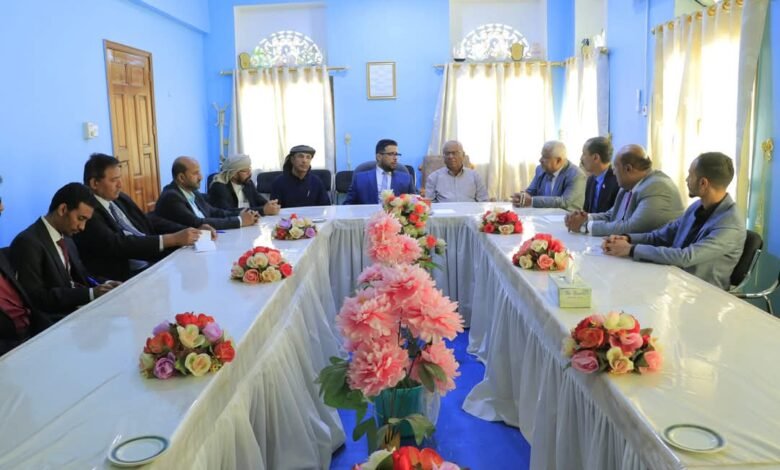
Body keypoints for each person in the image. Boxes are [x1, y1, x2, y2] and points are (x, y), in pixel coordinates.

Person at [603, 152, 746, 290]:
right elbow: (660, 236)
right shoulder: (697, 207)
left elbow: (686, 257)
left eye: (690, 175)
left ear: (703, 183)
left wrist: (631, 249)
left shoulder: (730, 224)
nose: (686, 179)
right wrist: (627, 239)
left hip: (701, 292)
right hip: (674, 280)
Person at [74, 153, 203, 281]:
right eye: (114, 180)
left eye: (120, 178)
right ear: (94, 183)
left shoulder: (119, 198)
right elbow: (118, 244)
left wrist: (193, 229)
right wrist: (172, 239)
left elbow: (148, 220)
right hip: (125, 277)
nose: (120, 184)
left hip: (153, 262)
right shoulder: (87, 213)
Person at [10, 183, 120, 319]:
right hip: (57, 320)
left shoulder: (66, 237)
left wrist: (107, 284)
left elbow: (83, 275)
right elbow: (36, 297)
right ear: (63, 209)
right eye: (80, 219)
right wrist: (90, 294)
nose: (82, 227)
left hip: (79, 311)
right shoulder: (28, 242)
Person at [565, 144, 684, 236]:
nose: (613, 172)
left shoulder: (657, 187)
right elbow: (611, 215)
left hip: (654, 255)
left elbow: (632, 228)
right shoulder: (628, 185)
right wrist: (585, 218)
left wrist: (585, 227)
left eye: (615, 168)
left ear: (628, 169)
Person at [0, 193, 52, 354]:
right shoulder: (27, 241)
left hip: (38, 338)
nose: (2, 207)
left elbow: (28, 308)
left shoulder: (3, 256)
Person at [154, 157, 259, 230]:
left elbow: (213, 212)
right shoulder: (171, 197)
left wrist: (241, 213)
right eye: (195, 173)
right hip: (180, 250)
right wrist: (240, 221)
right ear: (181, 178)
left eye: (199, 172)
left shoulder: (193, 191)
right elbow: (197, 223)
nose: (201, 177)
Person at [511, 141, 585, 210]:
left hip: (566, 217)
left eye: (545, 157)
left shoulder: (576, 175)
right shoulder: (540, 169)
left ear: (558, 160)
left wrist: (532, 201)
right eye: (541, 155)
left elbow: (564, 201)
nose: (540, 160)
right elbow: (530, 191)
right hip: (541, 215)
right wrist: (521, 197)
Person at [344, 139, 416, 205]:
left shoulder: (407, 179)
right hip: (368, 215)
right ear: (379, 157)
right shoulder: (360, 179)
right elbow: (348, 205)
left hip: (395, 215)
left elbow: (414, 204)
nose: (395, 158)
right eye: (391, 154)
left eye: (397, 154)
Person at [208, 154, 282, 214]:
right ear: (233, 174)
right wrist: (263, 210)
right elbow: (227, 212)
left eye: (250, 169)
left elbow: (259, 200)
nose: (250, 173)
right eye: (245, 171)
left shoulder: (248, 183)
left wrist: (271, 205)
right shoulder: (219, 187)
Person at [580, 136, 619, 213]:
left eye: (584, 154)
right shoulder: (591, 180)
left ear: (596, 157)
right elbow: (586, 211)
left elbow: (613, 216)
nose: (581, 158)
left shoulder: (617, 181)